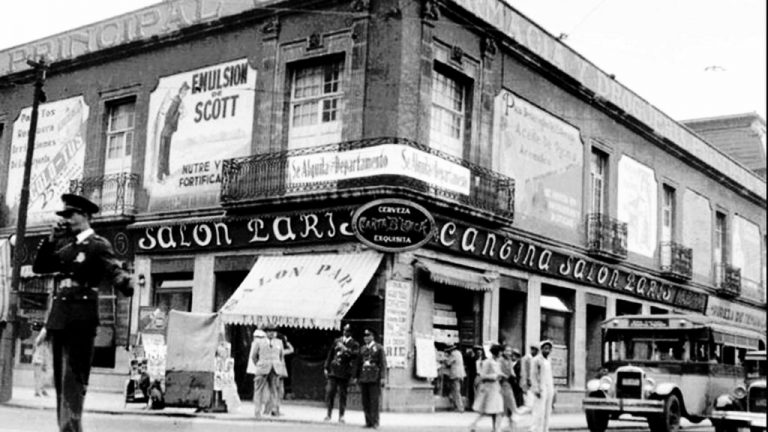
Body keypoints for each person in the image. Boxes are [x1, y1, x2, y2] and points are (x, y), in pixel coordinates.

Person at [33, 193, 134, 432]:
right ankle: (67, 429)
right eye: (65, 215)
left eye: (71, 215)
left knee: (74, 383)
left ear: (86, 216)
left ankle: (70, 429)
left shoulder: (98, 245)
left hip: (81, 320)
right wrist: (50, 239)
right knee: (61, 385)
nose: (67, 220)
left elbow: (113, 269)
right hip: (60, 320)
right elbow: (40, 267)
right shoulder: (67, 247)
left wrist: (125, 281)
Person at [249, 324, 287, 418]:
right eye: (269, 331)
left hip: (275, 369)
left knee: (274, 390)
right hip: (262, 368)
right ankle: (257, 411)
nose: (272, 333)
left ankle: (275, 409)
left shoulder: (279, 342)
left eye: (273, 331)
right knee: (258, 390)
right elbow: (253, 356)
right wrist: (259, 364)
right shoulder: (259, 342)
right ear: (266, 332)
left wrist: (279, 366)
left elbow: (281, 356)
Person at [324, 324, 359, 423]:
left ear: (351, 332)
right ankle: (328, 414)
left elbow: (354, 355)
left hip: (344, 371)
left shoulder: (354, 344)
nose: (345, 332)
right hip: (334, 370)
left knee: (343, 394)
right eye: (344, 330)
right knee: (330, 392)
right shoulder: (337, 341)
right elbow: (331, 354)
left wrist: (345, 348)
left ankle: (341, 415)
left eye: (347, 331)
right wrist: (326, 367)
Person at [157, 81, 190, 182]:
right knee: (163, 153)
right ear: (181, 90)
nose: (185, 93)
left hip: (169, 130)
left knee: (166, 152)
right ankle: (159, 176)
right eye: (185, 91)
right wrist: (178, 114)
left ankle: (166, 172)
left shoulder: (178, 101)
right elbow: (169, 116)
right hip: (166, 130)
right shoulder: (176, 101)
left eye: (186, 91)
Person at [468, 344, 504, 432]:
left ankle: (495, 428)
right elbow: (483, 375)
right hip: (488, 388)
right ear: (496, 352)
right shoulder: (487, 362)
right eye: (500, 352)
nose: (501, 353)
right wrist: (495, 376)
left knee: (497, 410)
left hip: (496, 388)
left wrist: (500, 376)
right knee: (486, 409)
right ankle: (474, 424)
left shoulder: (497, 362)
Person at [357, 328, 386, 429]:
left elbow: (383, 363)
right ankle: (368, 421)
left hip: (374, 377)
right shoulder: (362, 349)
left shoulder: (379, 348)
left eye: (368, 336)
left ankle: (375, 422)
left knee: (374, 401)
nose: (366, 338)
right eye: (365, 336)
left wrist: (382, 377)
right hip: (364, 377)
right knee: (365, 401)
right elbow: (358, 363)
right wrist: (356, 376)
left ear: (373, 337)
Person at [265, 331, 294, 417]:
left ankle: (273, 409)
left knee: (278, 391)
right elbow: (291, 350)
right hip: (277, 371)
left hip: (280, 372)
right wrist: (287, 342)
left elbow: (291, 350)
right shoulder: (277, 349)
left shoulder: (279, 349)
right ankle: (273, 409)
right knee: (276, 391)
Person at [530, 340, 556, 432]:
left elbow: (550, 375)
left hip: (549, 387)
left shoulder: (549, 360)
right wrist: (536, 388)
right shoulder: (536, 360)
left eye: (549, 349)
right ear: (541, 349)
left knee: (547, 411)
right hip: (541, 387)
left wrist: (553, 389)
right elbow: (533, 375)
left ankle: (545, 429)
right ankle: (536, 429)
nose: (547, 351)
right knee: (539, 411)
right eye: (545, 348)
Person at [499, 345, 518, 429]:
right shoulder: (500, 360)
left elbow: (512, 372)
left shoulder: (509, 360)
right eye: (507, 351)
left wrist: (514, 376)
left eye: (510, 351)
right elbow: (499, 371)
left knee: (510, 406)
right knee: (506, 406)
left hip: (509, 384)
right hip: (502, 384)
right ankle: (502, 426)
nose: (508, 353)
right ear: (503, 351)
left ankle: (511, 426)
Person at [443, 344, 467, 412]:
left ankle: (460, 407)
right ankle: (456, 406)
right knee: (455, 390)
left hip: (455, 374)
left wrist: (445, 358)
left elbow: (448, 363)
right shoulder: (459, 353)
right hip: (460, 374)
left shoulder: (453, 354)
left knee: (456, 391)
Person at [32, 327, 50, 397]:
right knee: (38, 376)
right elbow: (35, 350)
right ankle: (37, 391)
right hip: (38, 360)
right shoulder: (39, 340)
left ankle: (42, 389)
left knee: (43, 376)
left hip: (43, 360)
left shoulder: (45, 343)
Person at [520, 343, 539, 409]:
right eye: (533, 349)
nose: (535, 352)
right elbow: (524, 371)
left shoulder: (536, 359)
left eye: (536, 350)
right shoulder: (526, 359)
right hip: (527, 381)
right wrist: (527, 380)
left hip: (534, 381)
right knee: (528, 400)